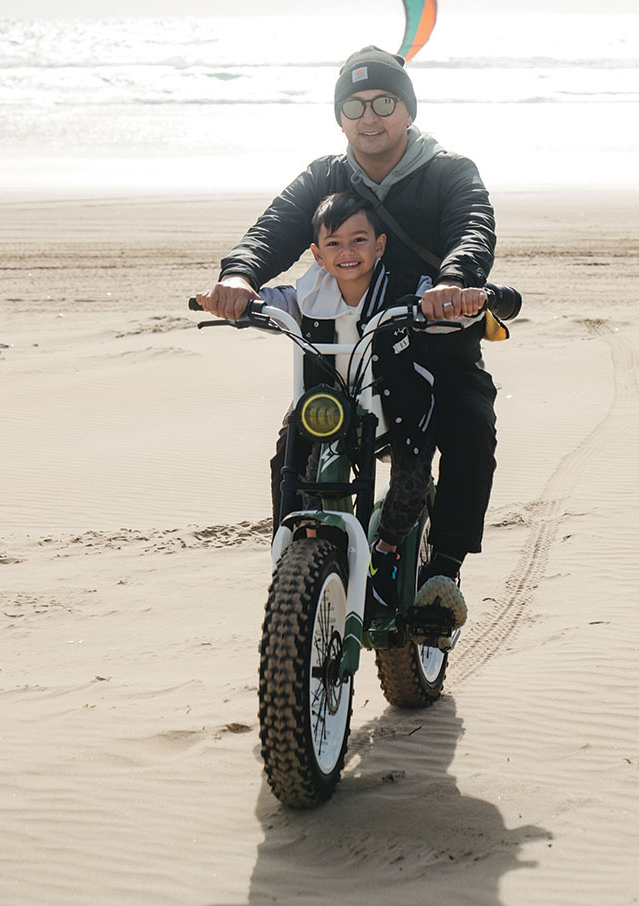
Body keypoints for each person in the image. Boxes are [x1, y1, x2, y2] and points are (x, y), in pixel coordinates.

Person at [198, 44, 514, 629]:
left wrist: (452, 283)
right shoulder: (325, 175)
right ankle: (294, 565)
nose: (370, 116)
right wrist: (239, 275)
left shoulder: (448, 170)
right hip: (340, 353)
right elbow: (275, 226)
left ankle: (442, 573)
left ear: (408, 110)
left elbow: (472, 229)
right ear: (340, 116)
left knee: (470, 423)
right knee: (293, 443)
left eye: (385, 102)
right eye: (355, 104)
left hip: (430, 340)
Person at [198, 192, 485, 617]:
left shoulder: (405, 286)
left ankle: (385, 552)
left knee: (412, 475)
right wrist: (237, 300)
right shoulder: (311, 291)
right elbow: (279, 306)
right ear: (316, 252)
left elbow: (447, 312)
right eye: (333, 244)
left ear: (380, 245)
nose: (346, 253)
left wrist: (458, 302)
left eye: (359, 241)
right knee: (288, 457)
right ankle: (295, 549)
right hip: (327, 408)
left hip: (395, 407)